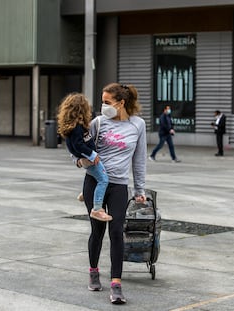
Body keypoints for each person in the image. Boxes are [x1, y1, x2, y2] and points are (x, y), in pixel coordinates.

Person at [76, 83, 147, 304]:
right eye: (102, 101)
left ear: (121, 102)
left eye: (107, 102)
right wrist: (80, 161)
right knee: (97, 230)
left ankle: (116, 284)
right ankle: (94, 271)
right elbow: (77, 146)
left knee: (116, 231)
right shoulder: (97, 123)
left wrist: (139, 189)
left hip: (118, 186)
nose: (103, 106)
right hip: (94, 182)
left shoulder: (138, 125)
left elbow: (139, 159)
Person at [57, 93, 112, 222]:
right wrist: (92, 154)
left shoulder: (74, 126)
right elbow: (78, 145)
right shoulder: (76, 128)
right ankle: (97, 208)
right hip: (88, 158)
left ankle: (84, 193)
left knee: (93, 175)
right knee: (103, 179)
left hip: (86, 159)